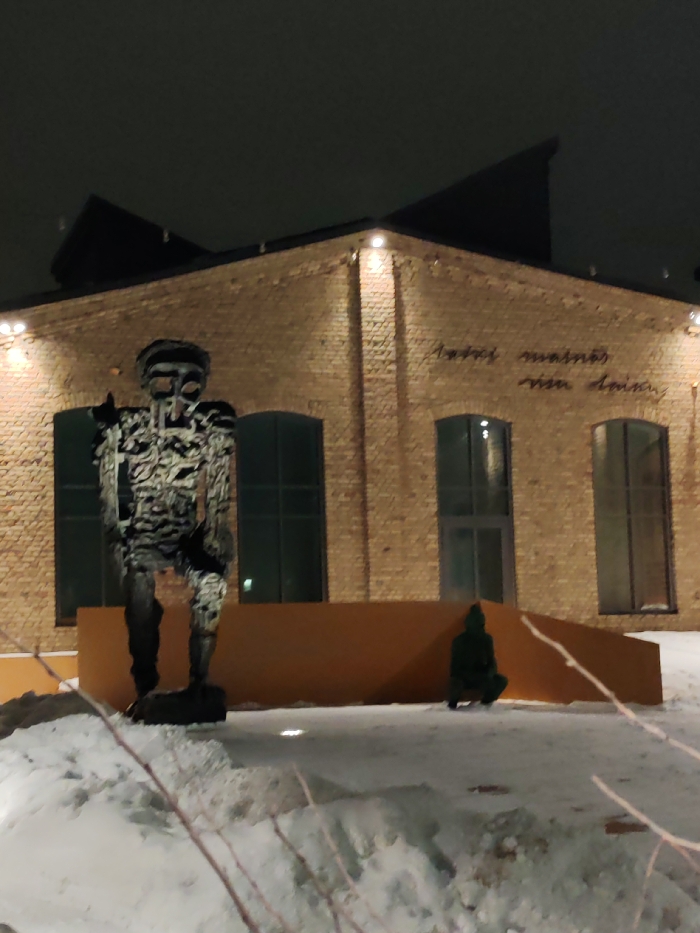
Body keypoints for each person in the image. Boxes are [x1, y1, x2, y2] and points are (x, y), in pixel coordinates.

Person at [448, 603, 508, 709]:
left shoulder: (487, 639)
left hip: (482, 676)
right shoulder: (459, 641)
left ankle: (485, 704)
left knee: (501, 680)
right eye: (476, 625)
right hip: (463, 677)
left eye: (481, 625)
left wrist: (489, 674)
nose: (479, 629)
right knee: (455, 683)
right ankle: (451, 707)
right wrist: (468, 675)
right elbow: (454, 668)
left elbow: (491, 661)